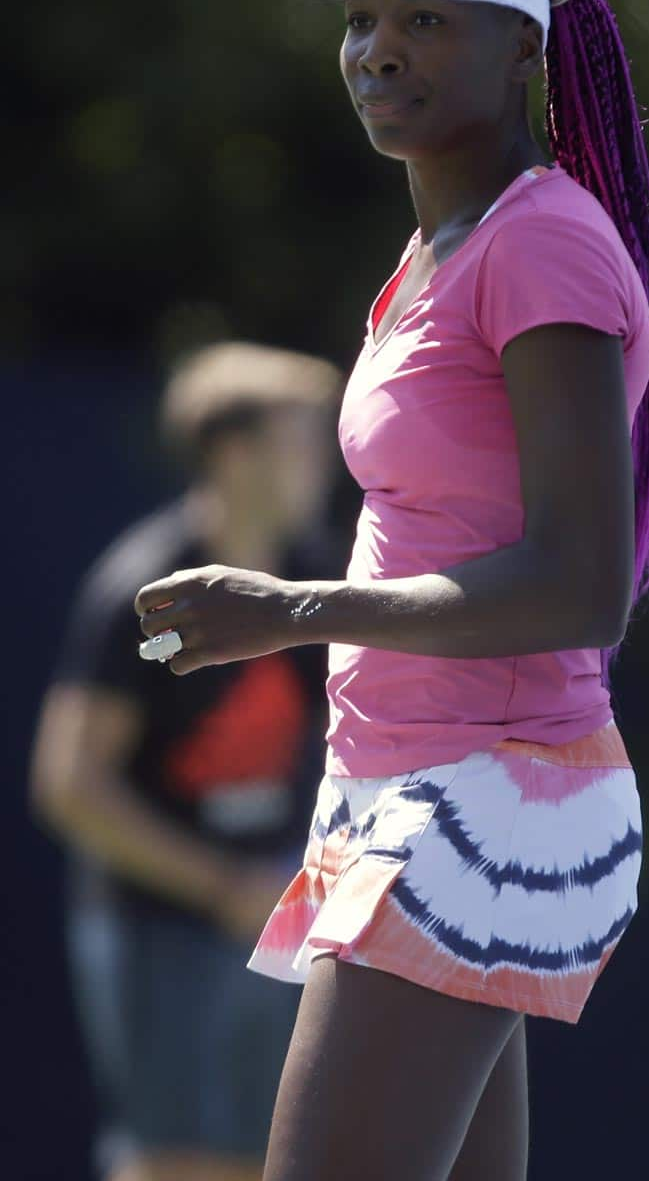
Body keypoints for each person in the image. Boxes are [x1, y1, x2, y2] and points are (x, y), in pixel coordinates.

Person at [133, 0, 649, 1181]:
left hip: (490, 790)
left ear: (522, 54)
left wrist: (292, 607)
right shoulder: (444, 243)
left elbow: (577, 585)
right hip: (404, 784)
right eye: (364, 16)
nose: (375, 47)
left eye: (425, 18)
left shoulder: (540, 244)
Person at [30, 341, 348, 1181]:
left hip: (282, 924)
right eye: (301, 437)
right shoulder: (147, 589)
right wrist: (219, 885)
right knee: (172, 1164)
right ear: (233, 451)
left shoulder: (319, 577)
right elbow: (69, 783)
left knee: (271, 1159)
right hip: (157, 930)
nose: (323, 460)